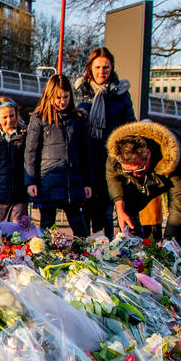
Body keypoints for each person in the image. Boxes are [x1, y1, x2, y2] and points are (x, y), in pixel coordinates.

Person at [105, 120, 181, 248]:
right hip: (153, 170)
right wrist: (119, 206)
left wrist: (168, 238)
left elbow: (180, 203)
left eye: (138, 169)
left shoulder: (171, 157)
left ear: (148, 154)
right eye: (128, 170)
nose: (134, 174)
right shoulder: (117, 152)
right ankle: (136, 247)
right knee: (127, 206)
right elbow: (113, 177)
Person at [74, 48, 136, 237]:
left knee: (105, 213)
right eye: (98, 67)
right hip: (85, 160)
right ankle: (83, 253)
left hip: (110, 160)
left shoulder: (121, 94)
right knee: (83, 211)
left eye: (106, 68)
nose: (102, 72)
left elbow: (130, 126)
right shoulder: (79, 92)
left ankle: (106, 252)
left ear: (112, 68)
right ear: (90, 69)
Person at [25, 75, 92, 235]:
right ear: (49, 96)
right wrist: (31, 181)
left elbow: (85, 153)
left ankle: (84, 257)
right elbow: (31, 151)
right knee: (47, 225)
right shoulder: (39, 118)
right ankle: (45, 257)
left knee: (79, 226)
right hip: (47, 182)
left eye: (65, 97)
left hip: (72, 182)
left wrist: (87, 182)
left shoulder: (77, 119)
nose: (62, 102)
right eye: (58, 98)